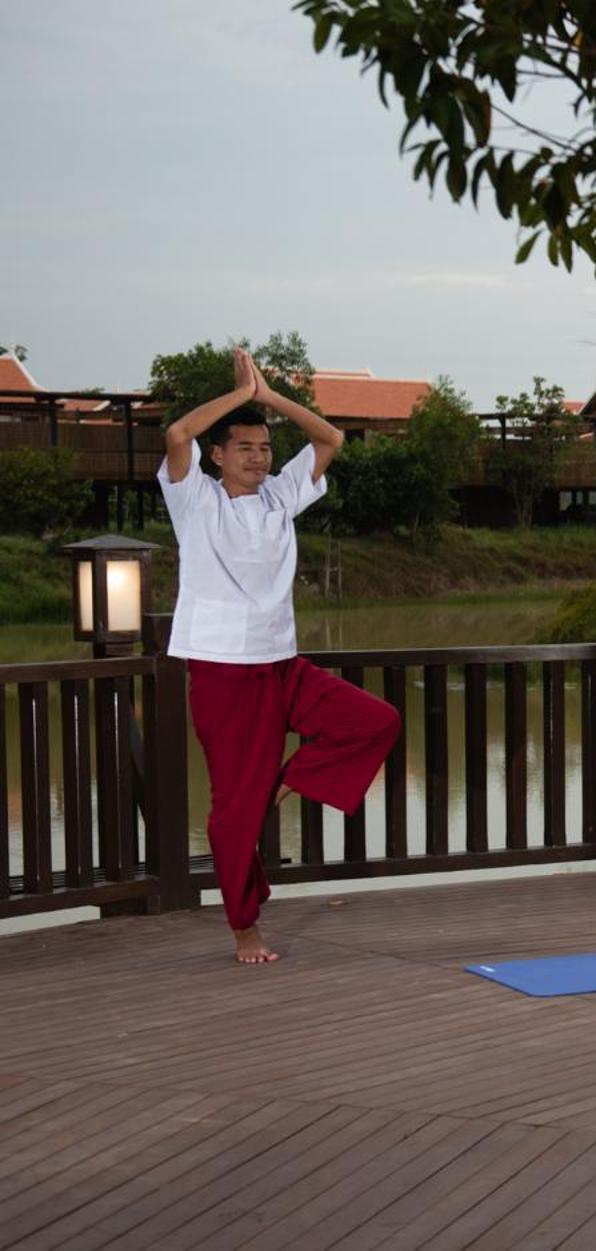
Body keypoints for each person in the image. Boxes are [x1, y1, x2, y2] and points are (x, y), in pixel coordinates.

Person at [158, 348, 400, 964]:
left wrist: (268, 398)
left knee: (375, 721)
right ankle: (245, 928)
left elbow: (331, 438)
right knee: (233, 813)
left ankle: (284, 783)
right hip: (220, 671)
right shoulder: (196, 501)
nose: (259, 457)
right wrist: (239, 397)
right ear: (219, 455)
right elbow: (176, 432)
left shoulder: (278, 498)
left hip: (282, 665)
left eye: (264, 448)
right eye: (244, 448)